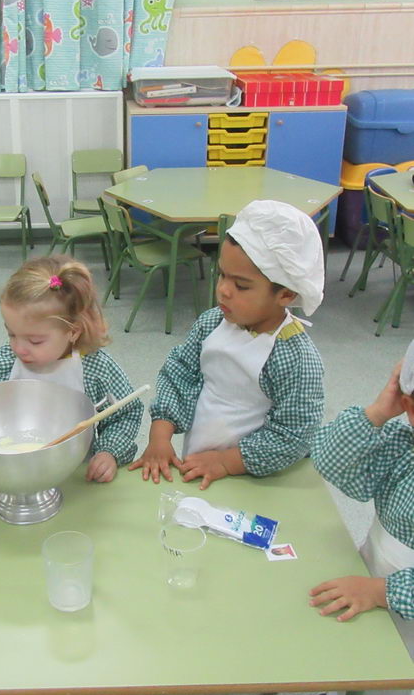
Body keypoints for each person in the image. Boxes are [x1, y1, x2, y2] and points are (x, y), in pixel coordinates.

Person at [131, 200, 325, 490]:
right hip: (199, 460)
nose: (222, 289)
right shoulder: (213, 322)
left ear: (286, 294)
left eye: (241, 285)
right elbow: (180, 374)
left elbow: (293, 434)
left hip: (255, 475)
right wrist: (160, 435)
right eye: (222, 274)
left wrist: (226, 462)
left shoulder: (295, 358)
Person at [294, 344, 414, 695]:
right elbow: (328, 458)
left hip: (401, 593)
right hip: (375, 571)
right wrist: (379, 411)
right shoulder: (405, 438)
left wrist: (383, 592)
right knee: (360, 655)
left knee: (396, 692)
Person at [0, 255, 143, 482]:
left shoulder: (96, 368)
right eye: (11, 334)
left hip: (75, 472)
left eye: (35, 341)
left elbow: (126, 413)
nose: (19, 348)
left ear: (72, 332)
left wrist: (109, 452)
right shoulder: (5, 361)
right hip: (10, 470)